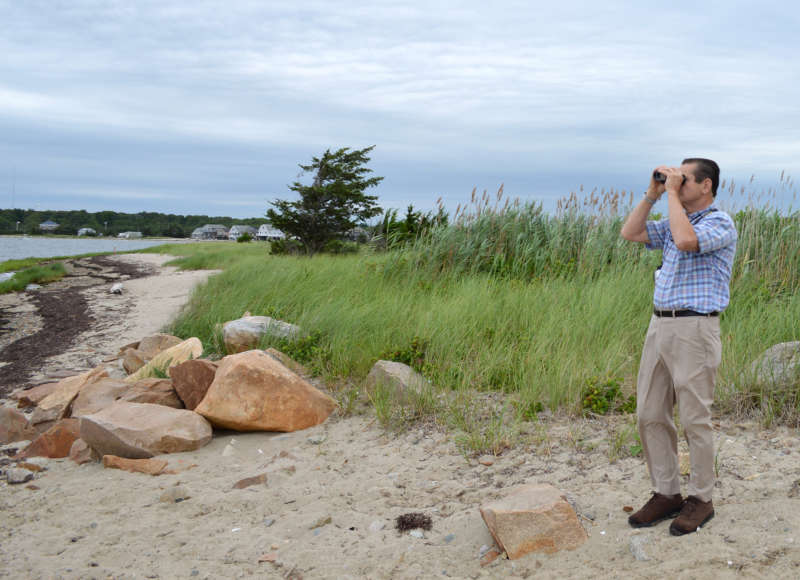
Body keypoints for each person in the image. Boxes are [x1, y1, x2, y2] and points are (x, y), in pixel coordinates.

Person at [620, 158, 737, 536]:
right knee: (649, 413)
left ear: (705, 185)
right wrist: (653, 194)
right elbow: (631, 233)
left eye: (683, 178)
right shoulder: (673, 221)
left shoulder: (719, 222)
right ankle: (667, 493)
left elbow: (687, 241)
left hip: (694, 328)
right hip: (660, 325)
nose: (676, 182)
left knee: (694, 418)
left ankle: (701, 499)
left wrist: (670, 194)